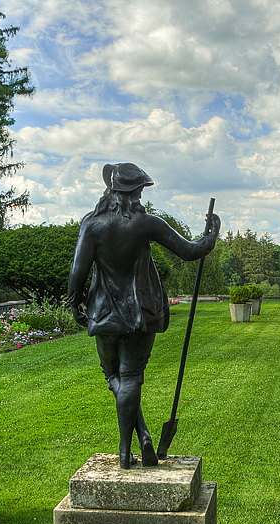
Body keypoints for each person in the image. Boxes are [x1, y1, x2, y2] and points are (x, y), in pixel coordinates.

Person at [68, 163, 221, 469]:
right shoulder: (148, 223)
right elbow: (190, 251)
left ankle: (128, 450)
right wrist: (213, 233)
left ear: (110, 191)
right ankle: (140, 438)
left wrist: (74, 303)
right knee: (129, 379)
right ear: (137, 193)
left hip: (104, 315)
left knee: (115, 377)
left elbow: (78, 270)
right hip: (140, 315)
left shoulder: (92, 224)